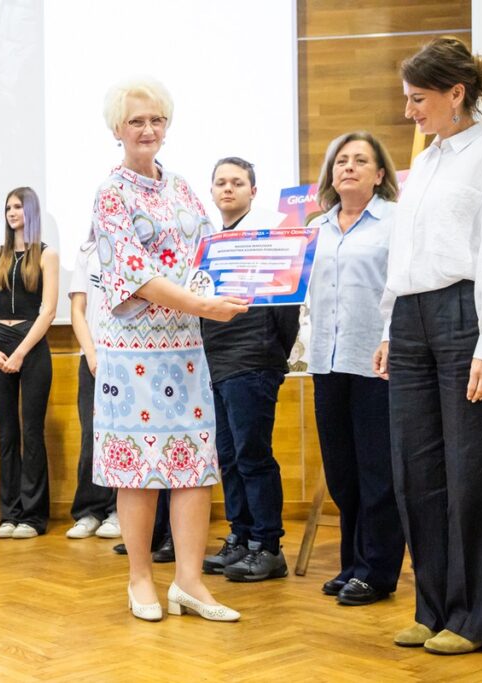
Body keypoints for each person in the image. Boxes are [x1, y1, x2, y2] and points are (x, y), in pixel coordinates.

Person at [374, 37, 482, 655]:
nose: (408, 111)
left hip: (467, 317)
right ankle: (433, 607)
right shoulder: (428, 161)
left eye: (418, 99)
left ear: (455, 94)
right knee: (415, 470)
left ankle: (476, 619)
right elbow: (406, 255)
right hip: (411, 319)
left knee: (476, 471)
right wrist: (390, 328)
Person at [91, 78, 248, 622]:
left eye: (156, 119)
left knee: (194, 466)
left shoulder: (181, 187)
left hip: (185, 349)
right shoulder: (111, 193)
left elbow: (209, 254)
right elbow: (135, 275)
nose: (148, 129)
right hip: (132, 353)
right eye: (137, 121)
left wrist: (254, 274)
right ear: (117, 129)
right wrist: (203, 304)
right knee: (138, 469)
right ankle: (140, 578)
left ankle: (189, 581)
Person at [307, 132, 405, 606]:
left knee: (377, 473)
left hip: (375, 362)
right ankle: (352, 565)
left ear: (380, 173)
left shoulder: (395, 222)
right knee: (343, 473)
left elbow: (402, 288)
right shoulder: (316, 228)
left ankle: (377, 572)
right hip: (326, 361)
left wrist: (391, 338)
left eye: (360, 160)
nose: (348, 167)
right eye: (341, 160)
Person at [200, 157, 300, 583]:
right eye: (221, 182)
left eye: (237, 183)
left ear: (253, 192)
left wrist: (271, 355)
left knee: (253, 455)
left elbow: (288, 305)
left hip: (253, 361)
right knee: (229, 457)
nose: (228, 189)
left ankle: (267, 546)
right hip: (216, 362)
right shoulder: (209, 244)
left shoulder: (268, 239)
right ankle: (240, 538)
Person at [0, 187, 58, 539]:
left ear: (32, 212)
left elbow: (49, 311)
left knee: (31, 431)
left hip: (32, 345)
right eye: (8, 207)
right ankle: (9, 514)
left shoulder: (47, 254)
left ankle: (33, 517)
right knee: (7, 432)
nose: (12, 212)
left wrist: (22, 352)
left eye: (19, 207)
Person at [66, 236, 119, 540]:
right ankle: (89, 511)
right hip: (93, 357)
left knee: (124, 437)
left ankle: (119, 511)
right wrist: (91, 353)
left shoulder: (135, 247)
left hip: (130, 357)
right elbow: (78, 309)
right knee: (92, 436)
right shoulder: (87, 252)